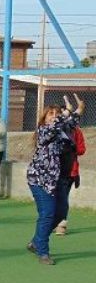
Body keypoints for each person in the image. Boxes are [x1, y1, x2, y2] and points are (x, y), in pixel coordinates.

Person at [26, 95, 84, 265]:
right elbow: (57, 125)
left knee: (60, 213)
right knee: (47, 214)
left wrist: (78, 110)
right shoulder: (43, 130)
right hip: (39, 179)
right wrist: (65, 112)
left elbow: (71, 123)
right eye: (50, 113)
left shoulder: (61, 131)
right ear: (44, 118)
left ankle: (36, 241)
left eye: (56, 113)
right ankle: (43, 252)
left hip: (57, 179)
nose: (54, 116)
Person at [55, 95, 87, 236]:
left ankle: (61, 224)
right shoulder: (52, 131)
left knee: (63, 197)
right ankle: (52, 221)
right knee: (54, 198)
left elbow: (81, 150)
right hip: (53, 170)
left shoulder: (76, 132)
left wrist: (71, 148)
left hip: (70, 171)